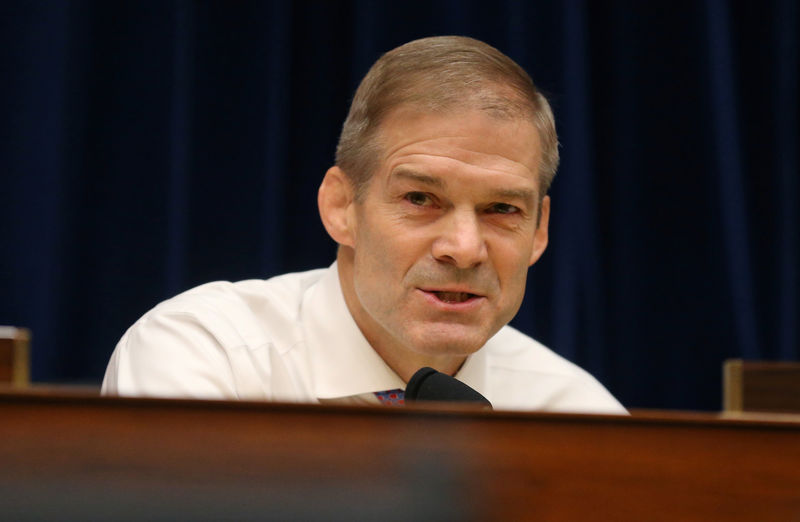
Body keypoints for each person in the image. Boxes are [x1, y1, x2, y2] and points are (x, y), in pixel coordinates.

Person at [102, 36, 625, 413]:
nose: (465, 249)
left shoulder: (575, 413)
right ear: (340, 206)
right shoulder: (205, 358)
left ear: (539, 231)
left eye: (502, 210)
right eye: (421, 198)